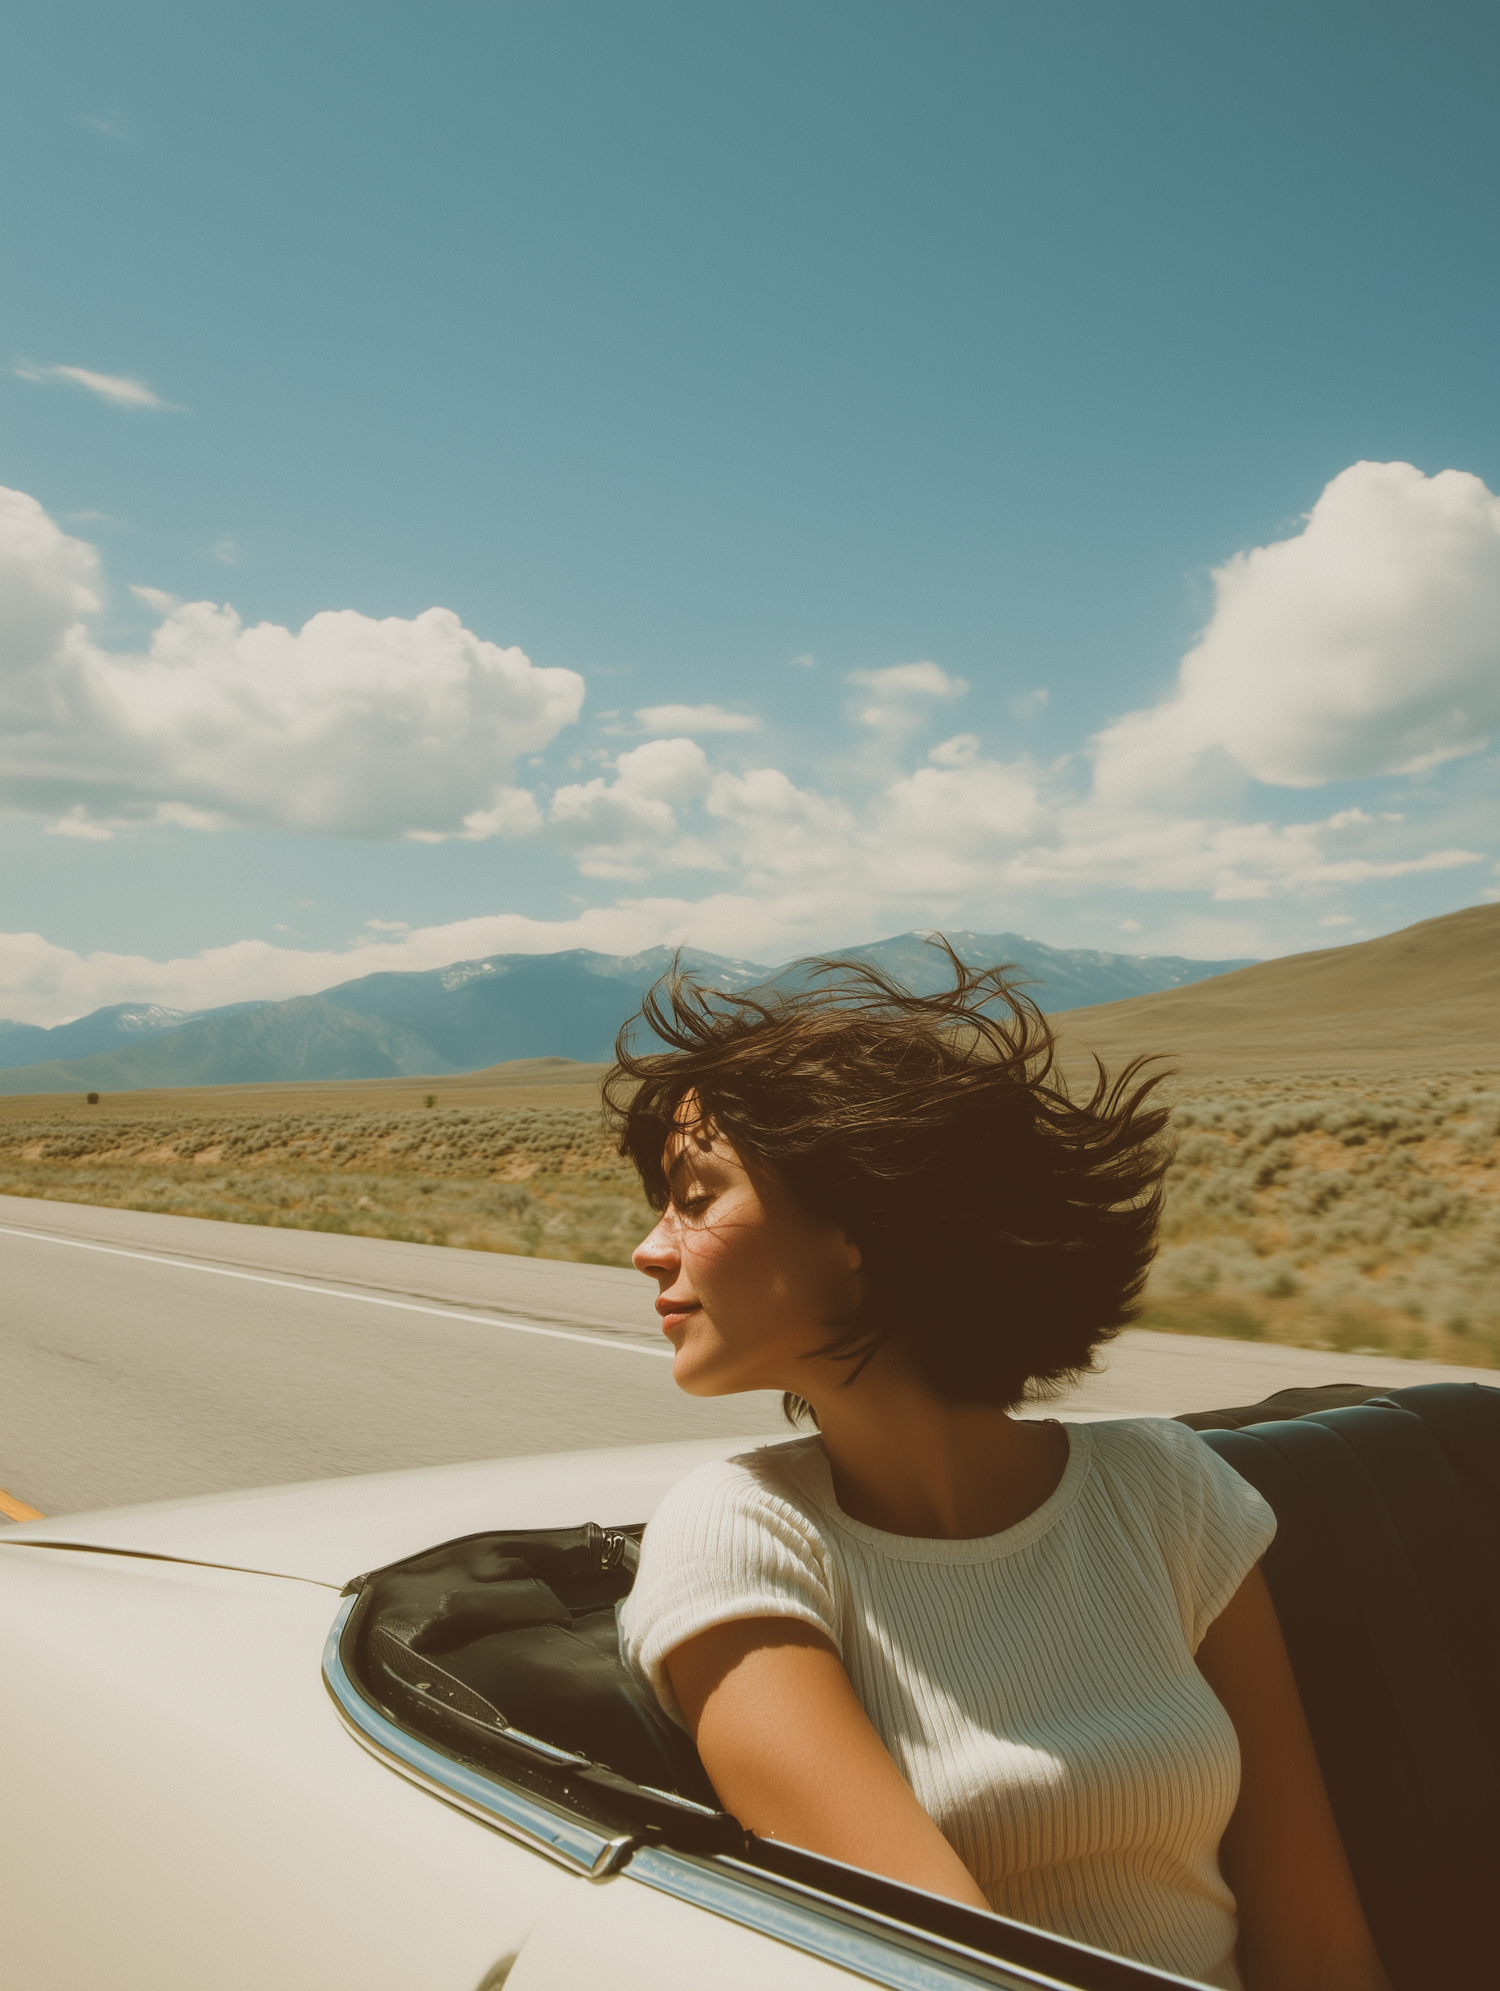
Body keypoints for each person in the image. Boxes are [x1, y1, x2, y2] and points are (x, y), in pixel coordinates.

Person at [609, 952, 1389, 1991]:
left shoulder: (1164, 1488)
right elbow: (950, 1967)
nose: (648, 1249)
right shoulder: (738, 1535)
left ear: (852, 1223)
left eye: (693, 1198)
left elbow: (1324, 1946)